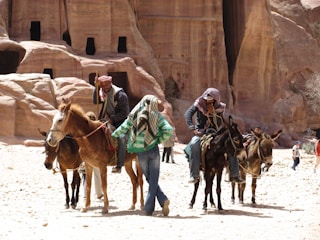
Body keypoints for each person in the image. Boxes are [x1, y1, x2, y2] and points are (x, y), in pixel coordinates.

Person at [111, 95, 173, 216]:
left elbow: (123, 128)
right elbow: (169, 130)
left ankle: (153, 207)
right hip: (153, 150)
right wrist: (159, 139)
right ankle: (160, 201)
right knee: (153, 179)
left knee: (149, 179)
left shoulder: (134, 115)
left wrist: (113, 135)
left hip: (140, 151)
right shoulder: (157, 116)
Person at [184, 88, 245, 184]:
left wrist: (214, 115)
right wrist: (193, 128)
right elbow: (188, 114)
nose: (208, 101)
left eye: (210, 99)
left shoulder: (220, 108)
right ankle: (194, 174)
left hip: (216, 132)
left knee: (230, 144)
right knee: (194, 144)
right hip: (202, 132)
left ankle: (234, 174)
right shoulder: (199, 104)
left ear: (216, 99)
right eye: (206, 99)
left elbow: (219, 121)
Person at [93, 75, 129, 173]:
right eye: (102, 85)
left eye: (105, 85)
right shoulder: (102, 92)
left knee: (121, 138)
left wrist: (112, 119)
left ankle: (119, 165)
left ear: (110, 83)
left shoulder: (120, 95)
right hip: (105, 118)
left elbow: (124, 113)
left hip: (119, 121)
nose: (104, 87)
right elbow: (95, 101)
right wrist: (95, 88)